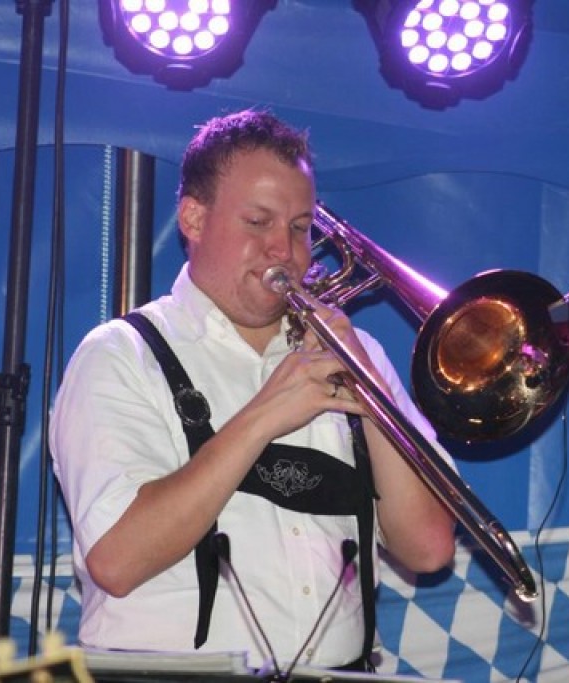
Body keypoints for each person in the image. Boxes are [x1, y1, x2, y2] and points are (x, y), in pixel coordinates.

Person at [50, 109, 456, 674]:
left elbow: (429, 549)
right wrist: (266, 414)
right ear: (193, 218)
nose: (284, 251)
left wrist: (369, 394)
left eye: (300, 228)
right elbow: (116, 561)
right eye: (258, 222)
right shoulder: (120, 355)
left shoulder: (355, 353)